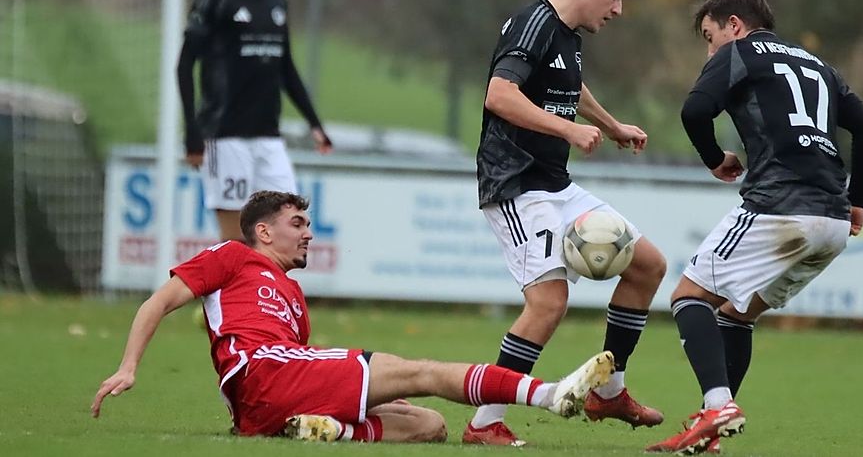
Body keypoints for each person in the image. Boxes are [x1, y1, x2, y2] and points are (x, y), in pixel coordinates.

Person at [91, 190, 617, 443]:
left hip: (271, 397)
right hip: (266, 372)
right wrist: (127, 365)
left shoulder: (293, 299)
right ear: (264, 232)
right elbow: (157, 302)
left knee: (429, 426)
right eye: (297, 223)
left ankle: (327, 432)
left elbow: (303, 357)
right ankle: (550, 395)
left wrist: (375, 387)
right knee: (424, 372)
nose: (308, 233)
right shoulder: (232, 256)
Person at [646, 0, 863, 454]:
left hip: (780, 207)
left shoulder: (741, 53)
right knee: (737, 314)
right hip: (832, 221)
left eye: (710, 37)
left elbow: (694, 109)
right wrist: (858, 200)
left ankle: (718, 407)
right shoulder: (818, 64)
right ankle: (712, 427)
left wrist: (714, 158)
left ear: (734, 25)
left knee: (689, 297)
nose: (710, 51)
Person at [469, 0, 667, 446]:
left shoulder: (568, 35)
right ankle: (485, 422)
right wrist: (569, 132)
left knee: (648, 265)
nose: (619, 9)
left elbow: (568, 88)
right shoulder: (533, 22)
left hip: (554, 182)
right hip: (515, 183)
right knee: (548, 303)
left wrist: (611, 124)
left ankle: (609, 391)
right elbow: (500, 94)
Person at [177, 0, 332, 243]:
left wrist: (314, 123)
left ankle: (264, 295)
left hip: (268, 137)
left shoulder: (277, 3)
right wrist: (192, 133)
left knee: (289, 225)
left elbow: (286, 68)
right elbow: (185, 64)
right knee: (235, 240)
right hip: (224, 135)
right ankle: (220, 296)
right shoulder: (215, 0)